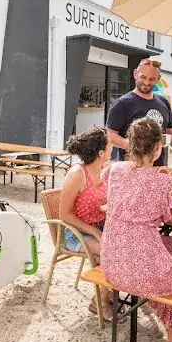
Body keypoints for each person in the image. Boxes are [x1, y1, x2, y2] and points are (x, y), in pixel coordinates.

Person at [100, 117, 172, 342]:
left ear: (130, 144)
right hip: (142, 270)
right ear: (158, 147)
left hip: (113, 263)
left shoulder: (113, 171)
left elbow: (122, 192)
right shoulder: (163, 181)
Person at [60, 126, 113, 320]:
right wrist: (95, 231)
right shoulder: (77, 174)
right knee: (111, 252)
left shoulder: (105, 171)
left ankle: (112, 291)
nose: (112, 149)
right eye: (109, 146)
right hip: (76, 232)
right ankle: (100, 303)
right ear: (100, 153)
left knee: (127, 244)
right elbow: (64, 214)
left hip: (100, 227)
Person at [106, 58, 172, 167]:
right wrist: (134, 146)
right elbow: (110, 135)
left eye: (151, 79)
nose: (146, 82)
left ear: (158, 79)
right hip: (131, 171)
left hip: (160, 170)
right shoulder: (122, 104)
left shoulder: (163, 102)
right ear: (135, 74)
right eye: (143, 77)